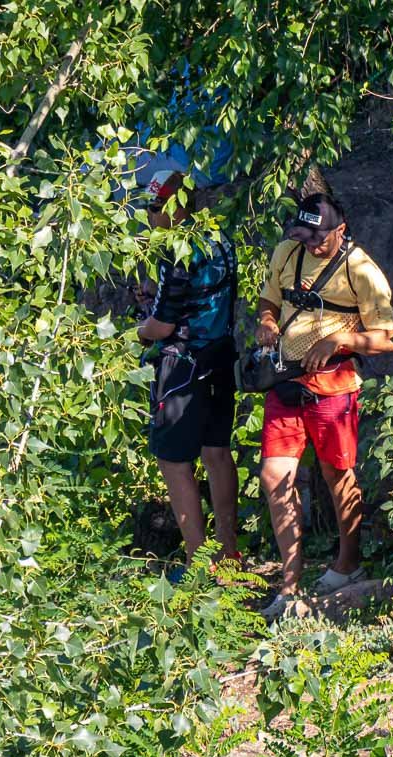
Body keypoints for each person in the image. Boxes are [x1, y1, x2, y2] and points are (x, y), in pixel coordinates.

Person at [254, 193, 393, 620]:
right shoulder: (287, 252)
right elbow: (270, 301)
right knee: (273, 473)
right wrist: (265, 322)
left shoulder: (362, 270)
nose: (313, 246)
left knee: (338, 473)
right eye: (306, 237)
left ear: (340, 229)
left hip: (333, 386)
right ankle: (290, 583)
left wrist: (342, 339)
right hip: (284, 380)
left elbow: (386, 338)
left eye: (320, 238)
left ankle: (347, 563)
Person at [135, 170, 241, 573]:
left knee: (173, 461)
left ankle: (200, 565)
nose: (150, 215)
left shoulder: (176, 249)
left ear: (176, 209)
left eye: (156, 207)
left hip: (184, 365)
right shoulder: (220, 238)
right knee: (217, 452)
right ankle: (230, 554)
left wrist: (139, 331)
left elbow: (161, 326)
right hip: (221, 355)